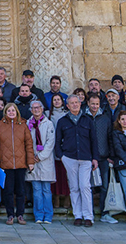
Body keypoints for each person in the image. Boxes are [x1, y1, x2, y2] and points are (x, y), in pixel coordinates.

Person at [56, 95, 97, 227]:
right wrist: (61, 156)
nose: (74, 105)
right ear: (67, 106)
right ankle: (78, 215)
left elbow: (93, 141)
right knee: (74, 187)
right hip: (69, 158)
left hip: (85, 158)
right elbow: (57, 141)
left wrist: (95, 158)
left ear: (80, 104)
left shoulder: (87, 120)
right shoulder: (63, 121)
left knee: (85, 186)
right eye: (71, 103)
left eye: (76, 103)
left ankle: (88, 216)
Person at [0, 102, 35, 225]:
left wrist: (30, 161)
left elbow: (29, 145)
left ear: (17, 112)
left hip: (20, 163)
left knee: (21, 191)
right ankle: (10, 215)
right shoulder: (0, 126)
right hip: (6, 164)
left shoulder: (23, 125)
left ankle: (20, 215)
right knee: (8, 191)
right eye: (9, 111)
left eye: (13, 110)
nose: (11, 113)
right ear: (5, 112)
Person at [85, 93, 115, 224]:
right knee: (88, 187)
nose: (95, 106)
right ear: (88, 103)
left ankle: (104, 212)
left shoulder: (105, 118)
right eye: (92, 104)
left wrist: (110, 155)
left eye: (97, 104)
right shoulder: (83, 118)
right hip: (86, 157)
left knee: (104, 186)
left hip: (103, 157)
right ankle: (88, 213)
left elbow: (110, 138)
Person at [26, 99, 56, 224]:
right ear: (31, 110)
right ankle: (38, 215)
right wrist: (31, 157)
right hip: (32, 161)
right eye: (33, 108)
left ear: (42, 109)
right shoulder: (28, 123)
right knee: (36, 191)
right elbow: (26, 141)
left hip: (45, 160)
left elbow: (50, 143)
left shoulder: (48, 124)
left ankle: (48, 215)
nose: (36, 110)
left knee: (46, 191)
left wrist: (40, 156)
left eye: (38, 107)